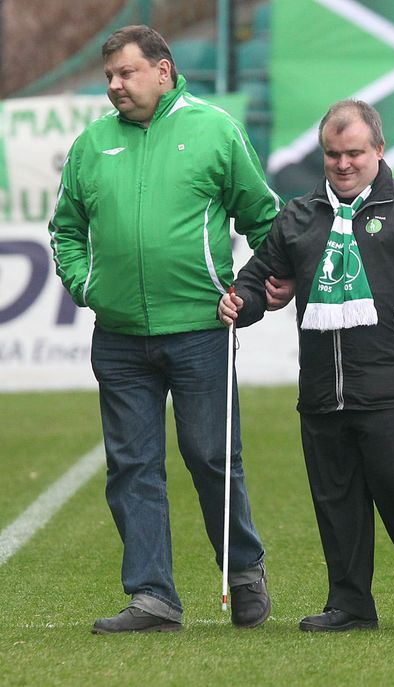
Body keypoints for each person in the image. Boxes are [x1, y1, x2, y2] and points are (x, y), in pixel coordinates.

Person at [219, 99, 394, 631]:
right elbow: (259, 279)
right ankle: (350, 604)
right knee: (335, 498)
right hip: (323, 387)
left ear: (379, 150)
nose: (342, 165)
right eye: (332, 155)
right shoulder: (299, 218)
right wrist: (243, 302)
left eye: (353, 153)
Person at [48, 25, 286, 634]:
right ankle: (153, 597)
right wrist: (85, 286)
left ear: (163, 70)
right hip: (119, 336)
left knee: (211, 457)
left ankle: (243, 572)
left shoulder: (215, 130)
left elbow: (265, 219)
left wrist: (263, 284)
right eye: (107, 77)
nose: (114, 87)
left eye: (125, 73)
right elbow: (66, 228)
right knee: (132, 467)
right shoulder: (90, 144)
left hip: (201, 329)